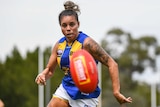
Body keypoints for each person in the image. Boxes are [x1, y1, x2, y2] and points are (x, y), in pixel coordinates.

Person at [35, 1, 132, 107]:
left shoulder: (87, 43)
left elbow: (112, 63)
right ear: (60, 27)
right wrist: (43, 75)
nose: (68, 29)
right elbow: (49, 70)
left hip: (87, 95)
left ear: (78, 24)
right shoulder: (59, 45)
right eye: (64, 25)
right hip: (66, 90)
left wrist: (116, 92)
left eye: (72, 24)